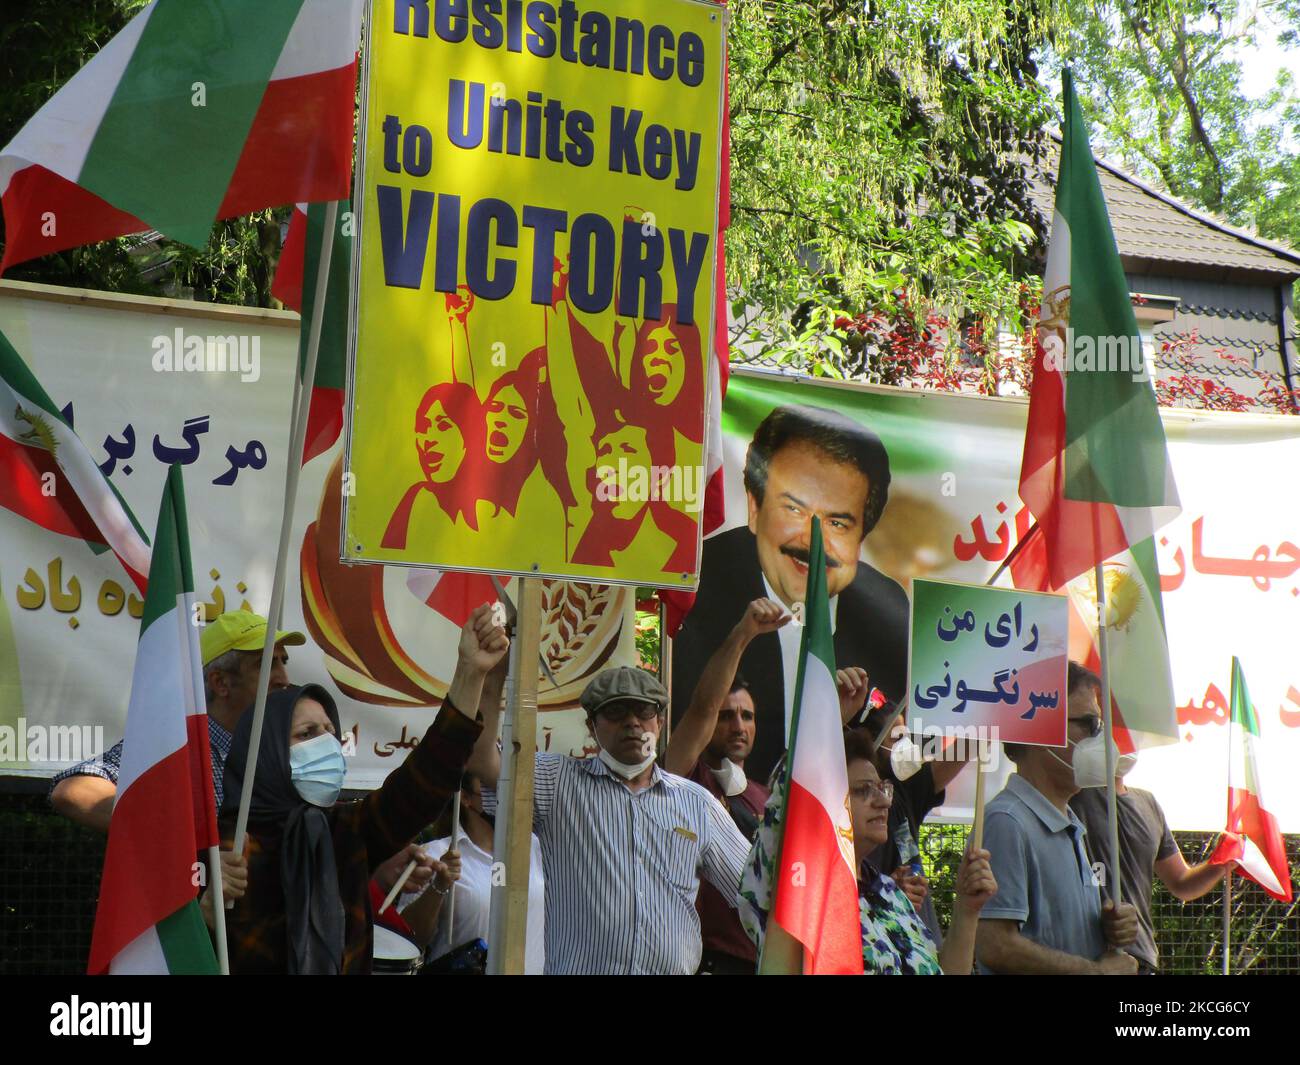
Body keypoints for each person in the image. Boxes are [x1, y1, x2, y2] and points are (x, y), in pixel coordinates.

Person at [216, 604, 507, 974]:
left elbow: (424, 782)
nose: (326, 743)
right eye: (307, 734)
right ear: (267, 755)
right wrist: (205, 907)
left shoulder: (343, 833)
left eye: (328, 732)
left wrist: (469, 673)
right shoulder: (224, 851)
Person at [672, 403, 910, 783]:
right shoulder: (697, 590)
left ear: (862, 537)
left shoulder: (892, 619)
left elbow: (898, 770)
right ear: (754, 506)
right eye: (794, 509)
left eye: (837, 522)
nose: (812, 541)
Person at [467, 664, 751, 975]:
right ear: (592, 726)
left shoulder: (696, 803)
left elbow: (756, 890)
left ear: (660, 720)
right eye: (615, 712)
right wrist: (493, 675)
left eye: (643, 711)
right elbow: (482, 759)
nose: (632, 722)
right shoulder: (558, 781)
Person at [740, 728, 997, 974]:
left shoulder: (891, 895)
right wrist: (828, 708)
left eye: (882, 789)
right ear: (822, 800)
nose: (884, 801)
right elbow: (790, 794)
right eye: (863, 790)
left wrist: (966, 908)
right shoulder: (798, 887)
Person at [48, 610, 305, 833]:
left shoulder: (287, 748)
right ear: (220, 683)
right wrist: (185, 841)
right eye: (266, 665)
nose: (284, 679)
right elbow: (71, 791)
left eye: (283, 662)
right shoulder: (176, 745)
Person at [975, 662, 1141, 974]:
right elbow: (994, 944)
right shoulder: (1006, 822)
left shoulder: (1072, 824)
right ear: (1042, 730)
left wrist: (1110, 923)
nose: (1101, 740)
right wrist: (1096, 973)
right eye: (1090, 725)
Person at [1066, 669, 1234, 973]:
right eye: (1117, 729)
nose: (1128, 741)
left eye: (1134, 733)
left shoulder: (1148, 803)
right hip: (1090, 957)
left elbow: (1181, 883)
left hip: (1142, 959)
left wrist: (1222, 862)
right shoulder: (1074, 792)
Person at [399, 772, 546, 975]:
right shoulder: (435, 854)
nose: (506, 797)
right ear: (466, 798)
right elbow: (407, 937)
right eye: (492, 788)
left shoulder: (537, 847)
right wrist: (438, 887)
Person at [854, 700, 974, 946]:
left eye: (908, 737)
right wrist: (888, 890)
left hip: (922, 941)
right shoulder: (848, 804)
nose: (906, 746)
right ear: (872, 744)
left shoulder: (906, 789)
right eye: (896, 737)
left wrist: (993, 714)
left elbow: (966, 748)